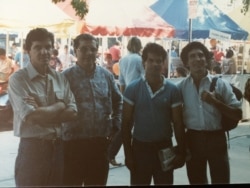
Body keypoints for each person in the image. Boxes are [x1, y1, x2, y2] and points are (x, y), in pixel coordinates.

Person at [7, 28, 78, 187]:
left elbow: (73, 113)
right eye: (38, 47)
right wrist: (60, 105)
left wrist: (41, 110)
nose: (44, 51)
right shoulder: (18, 80)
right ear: (28, 51)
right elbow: (32, 117)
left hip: (58, 148)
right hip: (33, 149)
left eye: (48, 47)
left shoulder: (59, 77)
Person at [177, 41, 242, 185]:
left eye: (201, 55)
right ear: (186, 63)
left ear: (206, 60)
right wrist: (182, 145)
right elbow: (175, 118)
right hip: (193, 139)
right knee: (196, 181)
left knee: (221, 180)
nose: (197, 59)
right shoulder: (181, 87)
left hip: (216, 139)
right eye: (192, 56)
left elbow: (238, 114)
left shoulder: (220, 84)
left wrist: (216, 102)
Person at [62, 33, 123, 186]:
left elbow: (118, 101)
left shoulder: (106, 76)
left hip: (100, 144)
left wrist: (116, 124)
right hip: (72, 145)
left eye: (93, 49)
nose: (89, 53)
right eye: (84, 49)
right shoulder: (65, 77)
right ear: (75, 51)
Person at [122, 42, 186, 186]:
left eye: (159, 61)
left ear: (164, 63)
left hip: (165, 147)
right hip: (140, 148)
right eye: (151, 60)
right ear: (144, 62)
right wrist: (128, 154)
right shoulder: (132, 89)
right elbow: (126, 123)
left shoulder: (172, 90)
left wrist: (181, 151)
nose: (155, 64)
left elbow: (178, 123)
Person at [108, 37, 144, 166]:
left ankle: (111, 154)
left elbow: (122, 82)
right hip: (140, 97)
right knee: (138, 128)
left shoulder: (123, 60)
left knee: (126, 127)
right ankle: (115, 154)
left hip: (128, 96)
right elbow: (145, 79)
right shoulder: (140, 60)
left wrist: (125, 99)